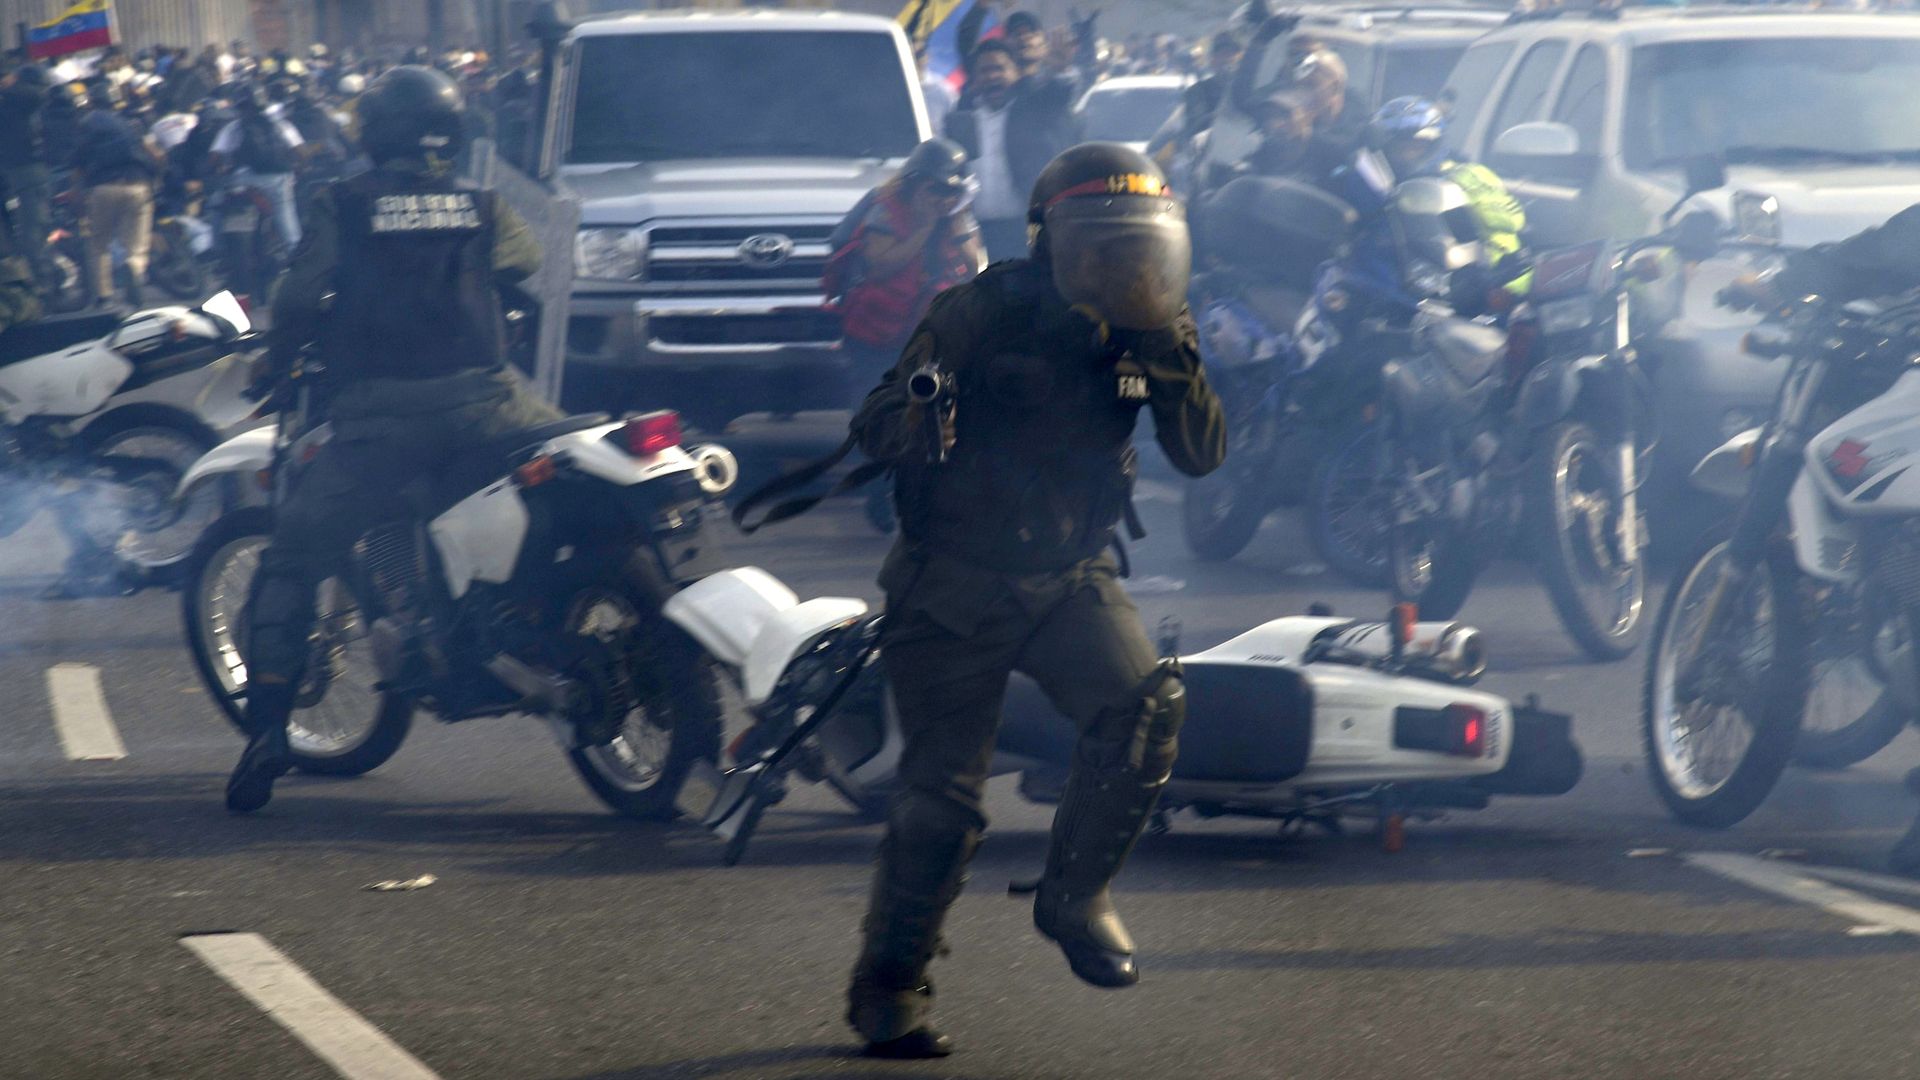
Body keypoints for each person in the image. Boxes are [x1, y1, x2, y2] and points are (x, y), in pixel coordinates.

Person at [842, 143, 1226, 1059]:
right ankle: (890, 988)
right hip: (952, 582)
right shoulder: (980, 307)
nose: (1121, 262)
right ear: (1051, 240)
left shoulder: (1157, 323)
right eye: (1100, 243)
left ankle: (1075, 896)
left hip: (1070, 574)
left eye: (1137, 244)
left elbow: (1201, 454)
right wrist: (918, 421)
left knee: (1143, 710)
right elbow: (877, 416)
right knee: (939, 808)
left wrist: (1167, 353)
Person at [224, 65, 563, 814]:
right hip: (496, 405)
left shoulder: (342, 202)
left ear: (375, 133)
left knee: (293, 556)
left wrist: (279, 358)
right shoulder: (480, 202)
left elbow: (298, 295)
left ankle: (268, 731)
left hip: (383, 419)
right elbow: (524, 261)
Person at [828, 138, 984, 397]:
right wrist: (924, 226)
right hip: (877, 334)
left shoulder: (957, 216)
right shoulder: (885, 210)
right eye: (934, 189)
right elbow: (880, 268)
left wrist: (958, 223)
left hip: (930, 336)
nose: (941, 198)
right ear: (914, 183)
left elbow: (974, 271)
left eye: (950, 191)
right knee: (878, 403)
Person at [1362, 96, 1530, 295]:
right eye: (1399, 148)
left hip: (1485, 287)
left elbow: (1501, 229)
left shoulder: (1463, 179)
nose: (1406, 155)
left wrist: (1485, 275)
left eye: (1415, 147)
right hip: (1405, 279)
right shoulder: (1376, 183)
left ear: (1434, 145)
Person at [944, 40, 1080, 262]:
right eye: (984, 70)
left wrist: (1061, 69)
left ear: (1016, 72)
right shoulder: (962, 118)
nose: (992, 76)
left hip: (1027, 225)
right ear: (975, 78)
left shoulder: (1033, 108)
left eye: (999, 68)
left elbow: (1059, 93)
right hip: (981, 231)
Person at [68, 80, 161, 307]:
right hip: (138, 185)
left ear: (92, 102)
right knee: (136, 245)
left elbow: (77, 167)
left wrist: (77, 195)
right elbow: (155, 155)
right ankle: (133, 266)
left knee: (99, 244)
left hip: (102, 188)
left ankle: (104, 296)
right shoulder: (131, 122)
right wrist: (157, 178)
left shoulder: (86, 125)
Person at [211, 82, 305, 251]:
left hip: (242, 179)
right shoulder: (280, 124)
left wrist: (219, 171)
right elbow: (301, 152)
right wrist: (299, 168)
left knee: (215, 203)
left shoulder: (233, 127)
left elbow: (215, 157)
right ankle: (295, 250)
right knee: (286, 216)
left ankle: (216, 248)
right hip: (278, 179)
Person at [0, 64, 53, 277]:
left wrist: (8, 86)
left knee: (32, 229)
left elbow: (31, 95)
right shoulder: (16, 103)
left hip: (27, 171)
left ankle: (42, 276)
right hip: (21, 172)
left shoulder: (23, 98)